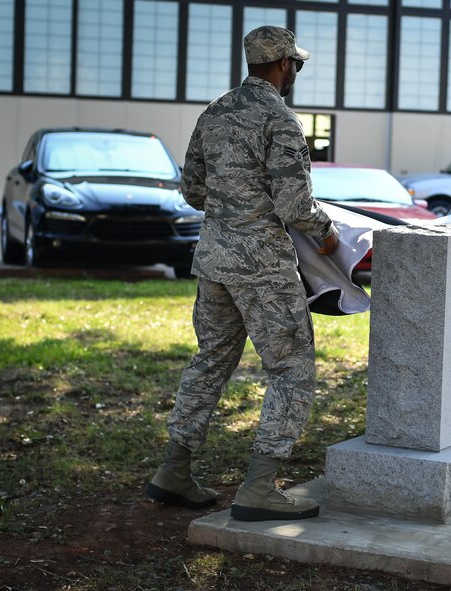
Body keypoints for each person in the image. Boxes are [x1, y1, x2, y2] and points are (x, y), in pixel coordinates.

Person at [145, 25, 339, 522]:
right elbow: (296, 205)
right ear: (282, 65)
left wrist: (234, 211)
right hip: (263, 271)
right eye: (294, 63)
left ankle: (174, 471)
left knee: (210, 361)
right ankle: (258, 487)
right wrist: (329, 236)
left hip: (214, 263)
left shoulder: (214, 113)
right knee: (291, 371)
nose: (295, 71)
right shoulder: (281, 119)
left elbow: (192, 189)